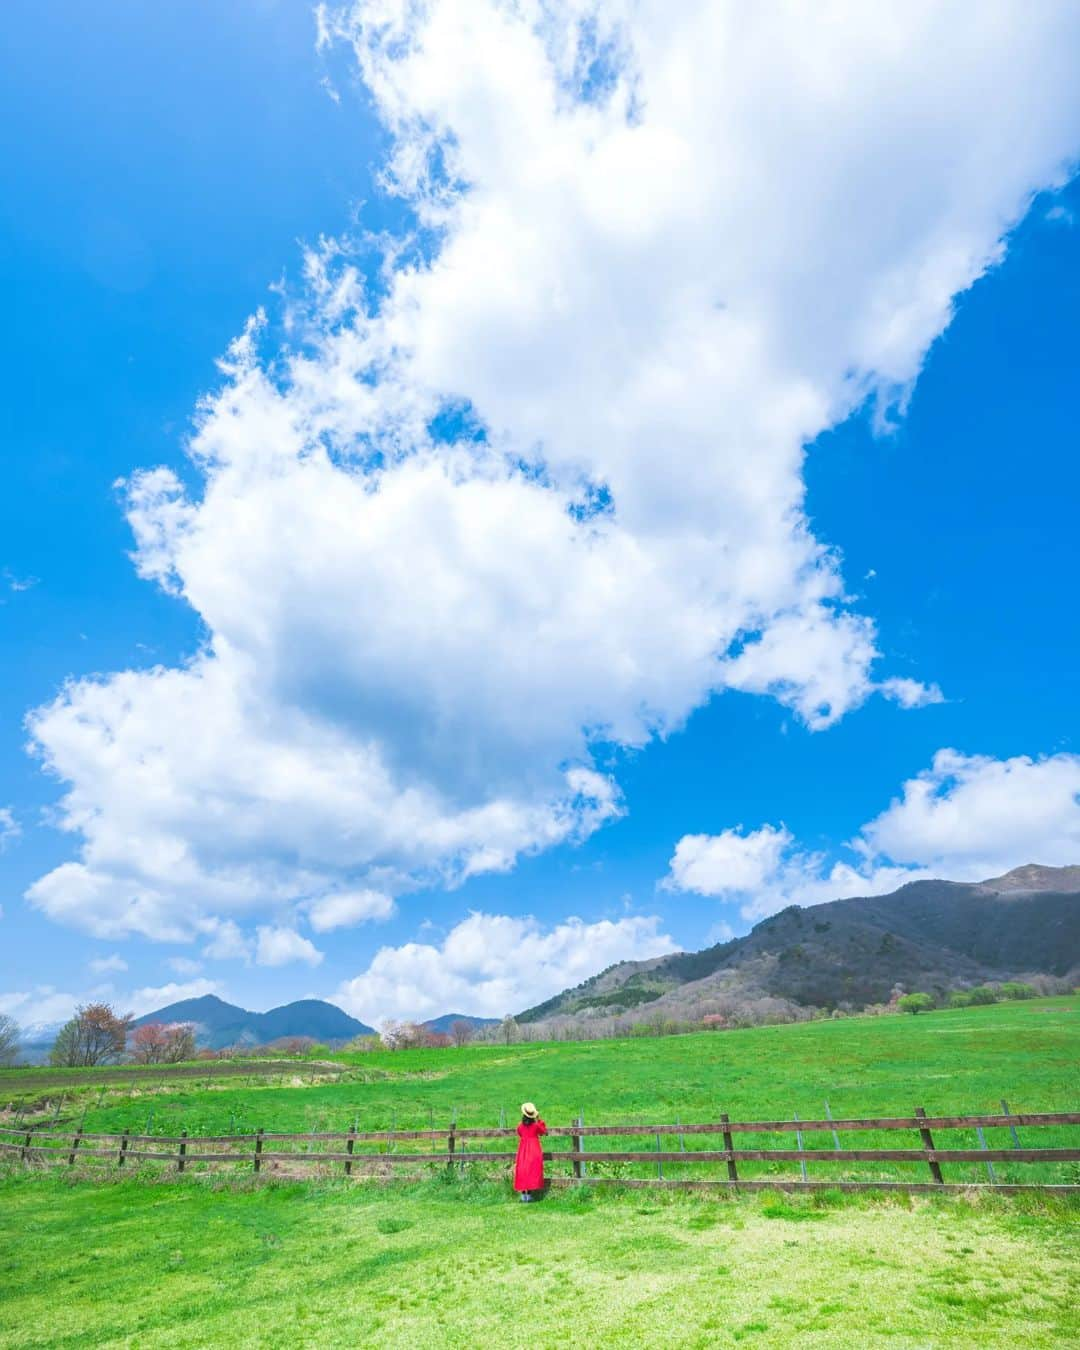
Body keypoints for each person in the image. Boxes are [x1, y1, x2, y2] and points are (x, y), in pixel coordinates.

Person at [514, 1101, 547, 1201]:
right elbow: (543, 1131)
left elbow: (519, 1132)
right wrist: (539, 1120)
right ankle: (529, 1195)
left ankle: (524, 1195)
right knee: (532, 1170)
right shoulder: (536, 1126)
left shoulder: (520, 1126)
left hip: (523, 1149)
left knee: (523, 1170)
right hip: (534, 1149)